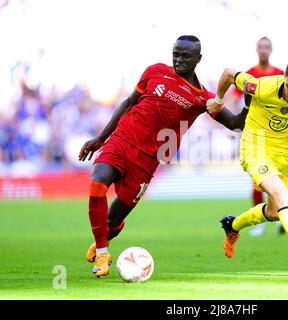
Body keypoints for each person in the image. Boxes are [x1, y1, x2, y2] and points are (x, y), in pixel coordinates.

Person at [78, 35, 248, 278]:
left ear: (198, 59)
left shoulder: (203, 98)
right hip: (123, 139)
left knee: (113, 219)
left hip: (148, 159)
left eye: (185, 56)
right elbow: (128, 103)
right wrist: (100, 138)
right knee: (97, 184)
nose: (179, 59)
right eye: (175, 54)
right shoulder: (155, 71)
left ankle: (103, 238)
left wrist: (249, 103)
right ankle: (103, 252)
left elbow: (233, 124)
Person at [207, 57, 288, 276]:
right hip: (255, 148)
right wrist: (218, 100)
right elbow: (229, 73)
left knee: (274, 212)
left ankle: (233, 226)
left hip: (282, 154)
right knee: (282, 196)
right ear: (284, 79)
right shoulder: (260, 86)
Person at [231, 36, 285, 237]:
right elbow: (236, 99)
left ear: (271, 49)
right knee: (258, 179)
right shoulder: (249, 74)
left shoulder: (280, 74)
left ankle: (281, 215)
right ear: (256, 49)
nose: (264, 50)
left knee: (280, 175)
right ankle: (260, 221)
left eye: (267, 47)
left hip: (277, 134)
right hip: (256, 133)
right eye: (261, 47)